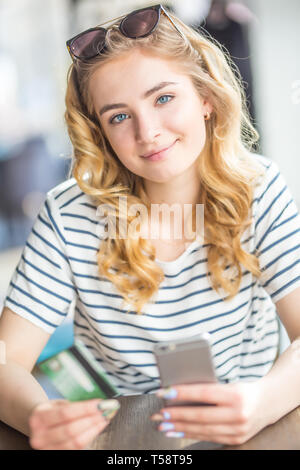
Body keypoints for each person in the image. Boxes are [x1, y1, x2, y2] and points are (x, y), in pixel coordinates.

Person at [0, 3, 299, 450]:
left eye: (163, 98)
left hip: (254, 431)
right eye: (119, 116)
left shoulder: (260, 189)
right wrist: (38, 415)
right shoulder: (68, 215)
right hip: (124, 441)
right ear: (100, 133)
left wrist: (259, 404)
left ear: (206, 98)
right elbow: (7, 361)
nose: (148, 131)